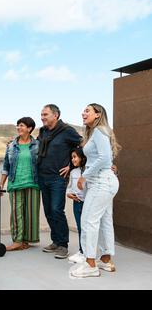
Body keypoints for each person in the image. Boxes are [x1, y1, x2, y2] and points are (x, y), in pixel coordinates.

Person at [70, 104, 120, 278]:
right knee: (105, 220)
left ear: (98, 114)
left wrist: (85, 176)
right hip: (106, 181)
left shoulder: (99, 130)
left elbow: (105, 158)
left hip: (101, 182)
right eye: (83, 110)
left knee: (88, 220)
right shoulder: (99, 131)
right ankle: (105, 259)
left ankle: (90, 263)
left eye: (87, 111)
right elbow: (106, 158)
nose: (83, 113)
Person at [37, 104, 82, 259]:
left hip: (58, 178)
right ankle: (55, 241)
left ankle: (63, 245)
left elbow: (81, 146)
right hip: (43, 176)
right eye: (41, 114)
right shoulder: (42, 131)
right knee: (49, 210)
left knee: (57, 210)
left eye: (45, 114)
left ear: (55, 115)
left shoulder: (67, 131)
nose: (42, 117)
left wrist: (71, 165)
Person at [0, 117, 40, 251]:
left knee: (31, 213)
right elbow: (6, 165)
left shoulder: (38, 145)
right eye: (17, 125)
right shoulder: (11, 145)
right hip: (15, 183)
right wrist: (1, 185)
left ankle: (26, 241)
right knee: (16, 213)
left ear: (29, 128)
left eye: (21, 125)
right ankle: (17, 241)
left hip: (33, 183)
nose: (18, 128)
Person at [66, 147, 87, 264]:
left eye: (75, 157)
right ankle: (81, 251)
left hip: (87, 203)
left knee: (86, 228)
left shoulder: (88, 172)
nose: (73, 159)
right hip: (76, 203)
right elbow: (69, 187)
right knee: (80, 227)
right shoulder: (73, 172)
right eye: (72, 157)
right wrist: (69, 194)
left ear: (82, 158)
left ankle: (87, 252)